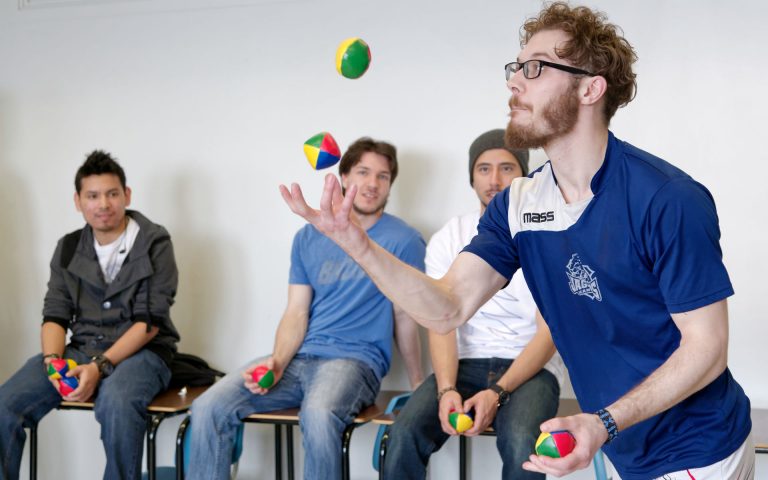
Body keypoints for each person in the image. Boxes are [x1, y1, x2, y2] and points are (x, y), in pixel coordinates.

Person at [280, 3, 754, 479]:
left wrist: (604, 423)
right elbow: (446, 308)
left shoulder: (667, 199)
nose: (514, 82)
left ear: (590, 88)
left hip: (697, 452)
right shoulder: (520, 204)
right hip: (622, 446)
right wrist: (358, 244)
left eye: (535, 68)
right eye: (515, 68)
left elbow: (707, 349)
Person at [187, 137, 426, 480]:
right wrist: (278, 360)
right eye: (363, 172)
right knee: (208, 406)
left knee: (317, 413)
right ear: (343, 177)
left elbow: (406, 315)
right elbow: (296, 312)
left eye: (383, 176)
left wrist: (418, 385)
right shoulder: (308, 238)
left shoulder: (404, 240)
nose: (373, 184)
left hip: (354, 361)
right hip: (299, 360)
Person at [382, 129, 564, 480]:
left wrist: (497, 392)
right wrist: (447, 388)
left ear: (524, 175)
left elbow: (550, 334)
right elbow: (441, 322)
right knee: (402, 435)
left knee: (523, 444)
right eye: (483, 169)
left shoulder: (549, 234)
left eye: (506, 168)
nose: (494, 179)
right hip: (463, 365)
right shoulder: (449, 237)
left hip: (531, 370)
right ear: (471, 176)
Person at [0, 150, 181, 480]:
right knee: (5, 404)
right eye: (93, 196)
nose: (103, 204)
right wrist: (52, 362)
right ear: (78, 200)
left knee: (117, 403)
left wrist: (99, 367)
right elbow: (55, 314)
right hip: (80, 350)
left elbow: (149, 322)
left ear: (127, 195)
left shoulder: (154, 241)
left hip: (142, 353)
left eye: (112, 194)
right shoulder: (68, 247)